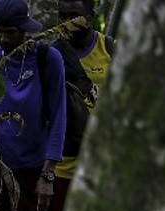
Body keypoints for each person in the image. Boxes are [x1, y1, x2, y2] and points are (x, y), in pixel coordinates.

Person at [0, 0, 67, 211]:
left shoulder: (48, 59)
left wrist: (48, 175)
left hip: (34, 170)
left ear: (24, 30)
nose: (4, 39)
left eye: (10, 32)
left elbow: (59, 116)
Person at [53, 0, 114, 199]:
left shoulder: (110, 49)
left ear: (89, 18)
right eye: (62, 16)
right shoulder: (52, 55)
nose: (66, 22)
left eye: (73, 16)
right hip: (62, 168)